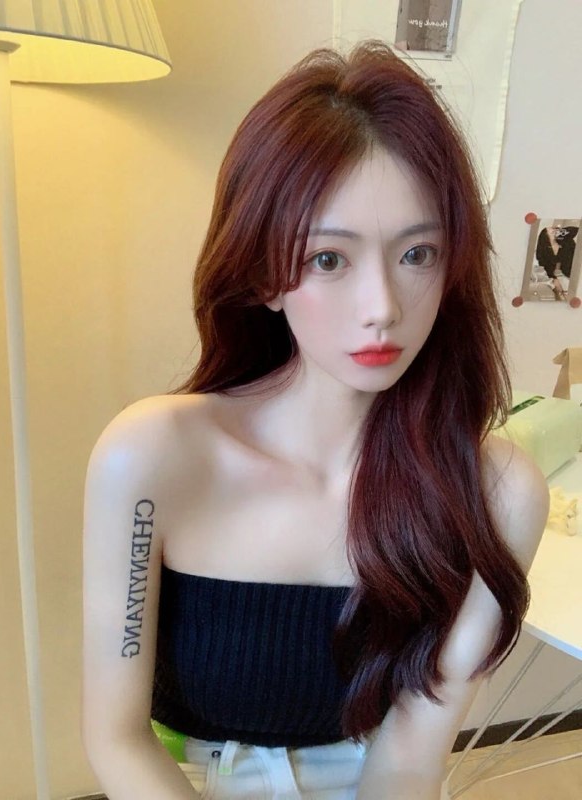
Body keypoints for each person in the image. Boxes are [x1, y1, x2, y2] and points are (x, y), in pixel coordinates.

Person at [81, 40, 550, 800]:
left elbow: (410, 758)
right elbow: (116, 738)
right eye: (329, 259)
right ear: (264, 273)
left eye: (418, 254)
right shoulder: (152, 457)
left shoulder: (497, 492)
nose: (382, 308)